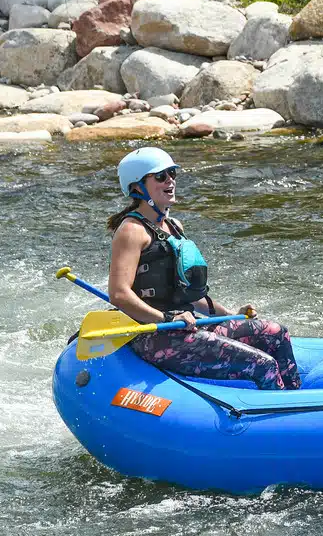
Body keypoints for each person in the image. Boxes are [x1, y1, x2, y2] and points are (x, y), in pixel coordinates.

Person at [106, 147, 301, 391]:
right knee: (263, 364)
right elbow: (119, 294)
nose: (170, 180)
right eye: (160, 176)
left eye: (172, 173)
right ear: (137, 187)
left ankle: (297, 400)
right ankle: (281, 422)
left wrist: (231, 313)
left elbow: (188, 292)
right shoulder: (131, 230)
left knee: (276, 332)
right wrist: (167, 318)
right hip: (155, 334)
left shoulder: (174, 226)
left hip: (186, 326)